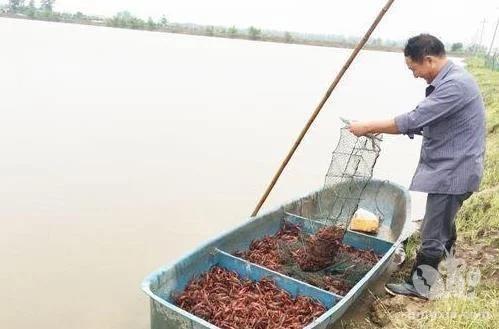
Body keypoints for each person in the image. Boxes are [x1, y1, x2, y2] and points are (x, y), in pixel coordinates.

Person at [348, 34, 486, 299]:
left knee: (432, 229)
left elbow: (415, 118)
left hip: (454, 172)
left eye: (414, 69)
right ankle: (447, 257)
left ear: (429, 60)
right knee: (443, 218)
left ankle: (420, 286)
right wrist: (383, 130)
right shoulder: (455, 79)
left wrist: (367, 126)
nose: (415, 75)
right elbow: (427, 122)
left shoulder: (454, 85)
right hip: (456, 166)